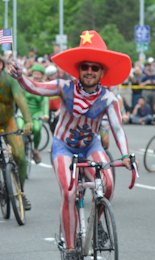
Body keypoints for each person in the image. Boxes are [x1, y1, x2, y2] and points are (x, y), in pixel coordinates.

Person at [8, 30, 132, 260]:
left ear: (102, 72)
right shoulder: (64, 88)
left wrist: (125, 155)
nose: (89, 71)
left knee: (107, 185)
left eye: (95, 68)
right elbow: (34, 87)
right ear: (78, 69)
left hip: (91, 146)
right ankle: (71, 249)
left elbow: (116, 128)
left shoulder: (108, 99)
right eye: (85, 66)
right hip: (63, 146)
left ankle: (97, 223)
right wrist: (20, 77)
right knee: (70, 192)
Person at [0, 56, 33, 209]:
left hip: (8, 122)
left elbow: (20, 99)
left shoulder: (9, 80)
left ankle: (21, 192)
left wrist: (28, 121)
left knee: (20, 156)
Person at [16, 64, 48, 164]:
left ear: (42, 75)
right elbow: (19, 95)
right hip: (24, 109)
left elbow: (46, 101)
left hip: (37, 111)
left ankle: (35, 150)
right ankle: (19, 149)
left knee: (37, 128)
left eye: (39, 74)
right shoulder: (26, 81)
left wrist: (46, 114)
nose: (36, 76)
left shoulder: (45, 85)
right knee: (20, 128)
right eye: (35, 74)